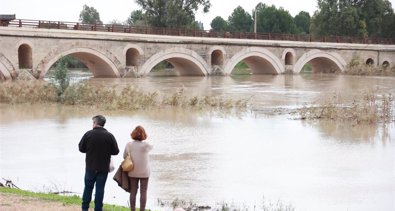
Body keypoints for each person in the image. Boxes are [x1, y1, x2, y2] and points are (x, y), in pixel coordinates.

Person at [79, 115, 120, 211]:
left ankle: (85, 208)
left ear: (95, 123)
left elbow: (81, 148)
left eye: (92, 122)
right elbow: (116, 151)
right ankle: (98, 209)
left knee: (88, 188)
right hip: (103, 168)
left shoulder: (88, 134)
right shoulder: (109, 136)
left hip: (90, 167)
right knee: (100, 189)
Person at [124, 125, 153, 211]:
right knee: (143, 192)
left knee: (133, 191)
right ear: (144, 135)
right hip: (145, 172)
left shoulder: (129, 144)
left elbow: (124, 156)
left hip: (132, 171)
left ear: (133, 134)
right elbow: (152, 146)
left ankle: (132, 210)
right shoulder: (146, 145)